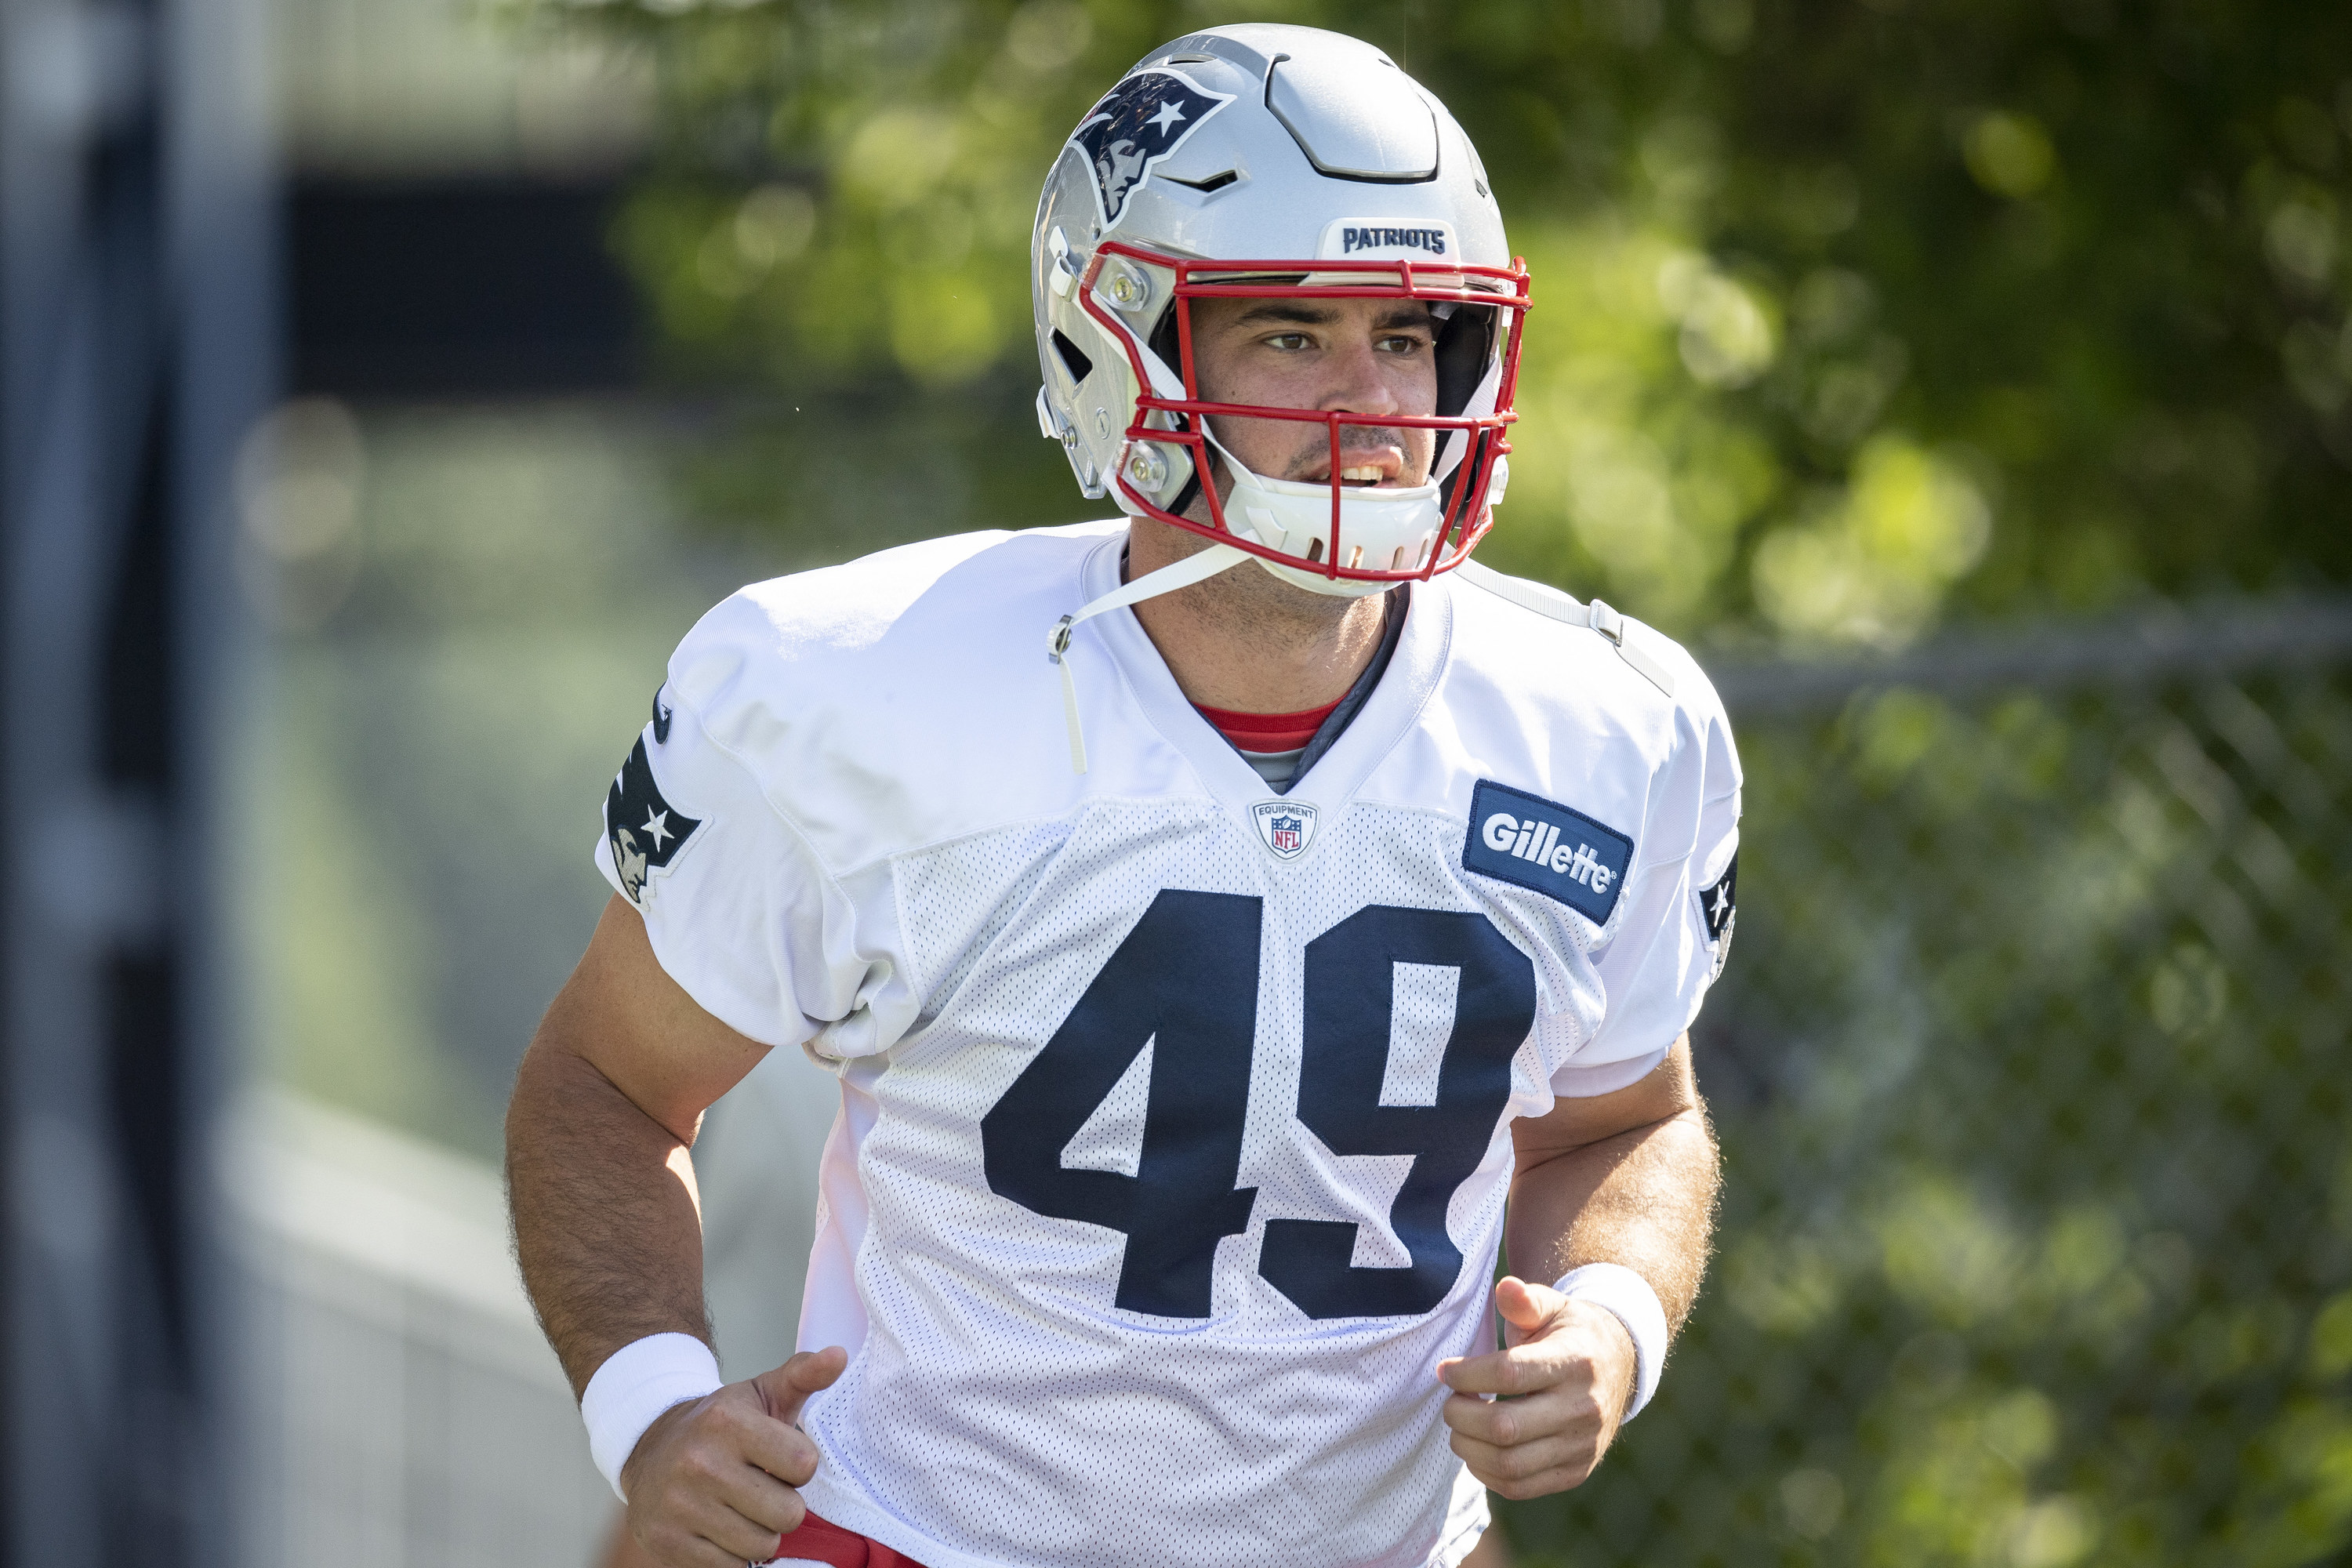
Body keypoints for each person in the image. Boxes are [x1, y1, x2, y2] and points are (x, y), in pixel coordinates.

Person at [509, 23, 1740, 1568]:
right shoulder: (861, 691)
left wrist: (1612, 1322)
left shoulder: (1600, 727)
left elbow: (1631, 1118)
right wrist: (655, 1410)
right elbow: (608, 1086)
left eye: (1410, 335)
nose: (1372, 401)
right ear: (1126, 347)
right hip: (925, 1538)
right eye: (1291, 336)